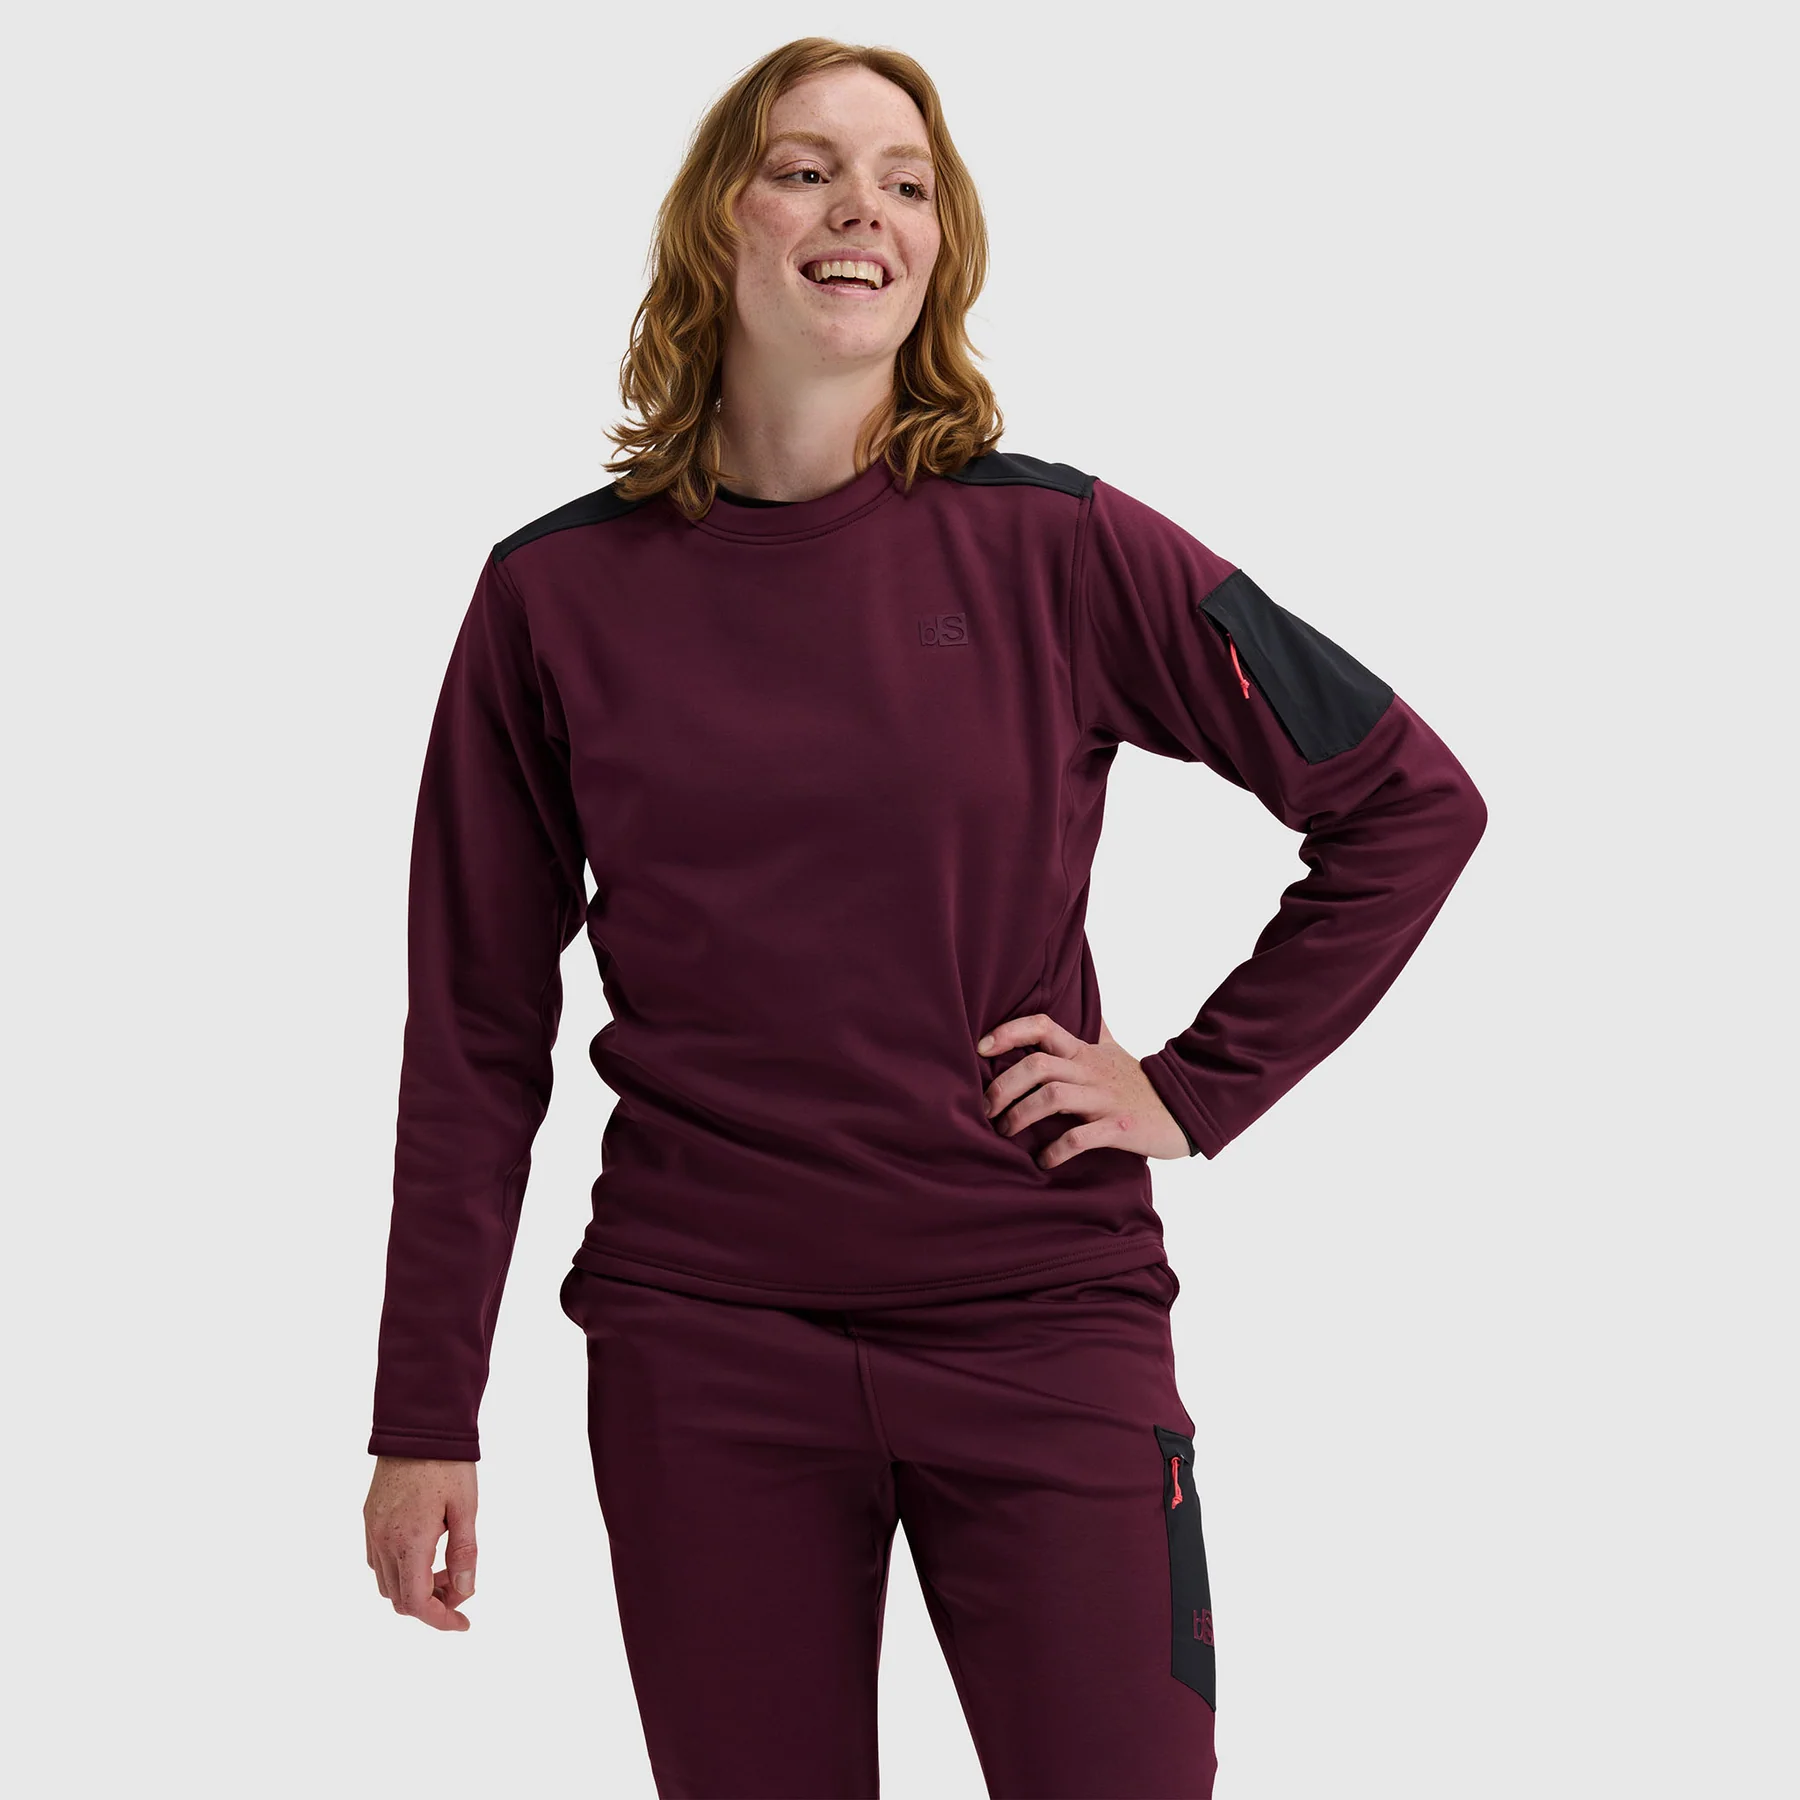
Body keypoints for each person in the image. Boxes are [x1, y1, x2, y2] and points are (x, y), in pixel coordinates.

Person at [361, 35, 1487, 1799]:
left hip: (1042, 1319)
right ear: (717, 222)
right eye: (806, 168)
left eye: (906, 181)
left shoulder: (1063, 547)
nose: (861, 210)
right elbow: (475, 1027)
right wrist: (425, 1413)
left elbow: (1408, 801)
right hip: (705, 1348)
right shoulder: (551, 596)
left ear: (941, 245)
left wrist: (1195, 1088)